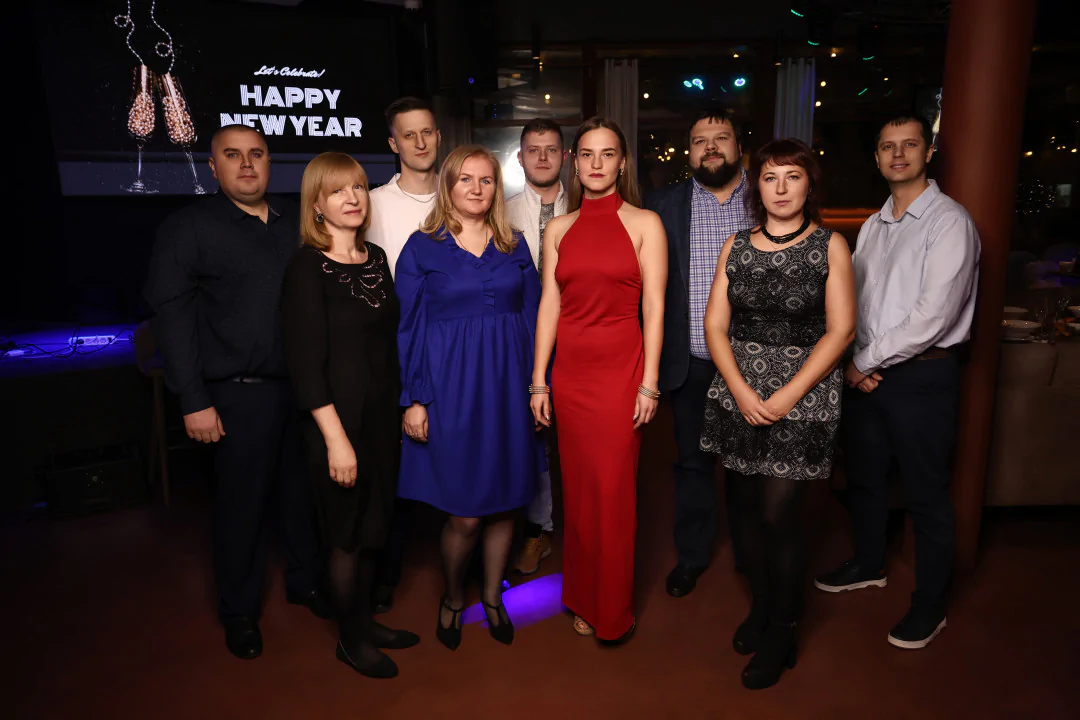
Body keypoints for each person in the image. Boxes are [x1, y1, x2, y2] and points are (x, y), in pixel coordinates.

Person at [144, 125, 327, 660]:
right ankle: (240, 611)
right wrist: (193, 399)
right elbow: (172, 318)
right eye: (233, 155)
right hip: (236, 396)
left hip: (304, 391)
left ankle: (305, 582)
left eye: (256, 154)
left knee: (303, 497)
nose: (247, 165)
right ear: (213, 166)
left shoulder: (296, 221)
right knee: (241, 510)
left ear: (269, 162)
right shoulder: (189, 228)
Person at [814, 114, 980, 651]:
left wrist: (861, 362)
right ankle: (869, 563)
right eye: (888, 147)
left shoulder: (949, 222)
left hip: (923, 375)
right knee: (865, 477)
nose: (898, 154)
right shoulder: (873, 225)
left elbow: (933, 316)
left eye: (909, 145)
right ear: (877, 158)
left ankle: (931, 605)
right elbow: (857, 303)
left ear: (928, 152)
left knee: (926, 494)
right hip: (868, 374)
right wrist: (855, 360)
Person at [700, 138, 856, 689]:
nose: (782, 187)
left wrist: (789, 394)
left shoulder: (830, 245)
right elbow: (715, 325)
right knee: (742, 510)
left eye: (793, 176)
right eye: (770, 177)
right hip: (738, 394)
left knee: (778, 516)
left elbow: (842, 330)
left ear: (809, 185)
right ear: (757, 187)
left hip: (804, 396)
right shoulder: (736, 245)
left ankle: (785, 627)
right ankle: (763, 608)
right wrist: (740, 389)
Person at [396, 144, 543, 650]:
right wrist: (415, 398)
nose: (476, 189)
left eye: (486, 180)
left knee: (506, 504)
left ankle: (493, 597)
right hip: (451, 389)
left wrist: (539, 386)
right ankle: (454, 596)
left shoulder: (513, 244)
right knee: (464, 512)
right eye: (465, 179)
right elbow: (408, 328)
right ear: (448, 186)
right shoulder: (422, 247)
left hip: (509, 386)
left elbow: (535, 318)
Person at [280, 153, 419, 679]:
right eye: (338, 191)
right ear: (316, 204)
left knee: (374, 525)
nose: (353, 198)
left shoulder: (376, 257)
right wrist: (336, 440)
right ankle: (350, 640)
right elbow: (305, 366)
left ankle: (365, 624)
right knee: (344, 535)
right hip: (335, 424)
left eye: (358, 187)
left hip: (380, 418)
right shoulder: (306, 267)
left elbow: (387, 345)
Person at [531, 117, 667, 642]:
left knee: (613, 494)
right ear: (574, 162)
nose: (596, 163)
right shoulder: (558, 229)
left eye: (607, 154)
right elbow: (550, 304)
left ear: (622, 162)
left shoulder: (645, 223)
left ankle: (612, 610)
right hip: (571, 377)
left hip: (620, 374)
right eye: (586, 154)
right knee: (581, 495)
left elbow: (654, 307)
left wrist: (649, 382)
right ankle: (582, 596)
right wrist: (539, 380)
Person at [645, 108, 755, 598]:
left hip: (755, 363)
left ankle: (752, 556)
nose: (710, 147)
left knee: (750, 466)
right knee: (692, 464)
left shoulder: (766, 197)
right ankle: (692, 556)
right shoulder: (662, 205)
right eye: (699, 141)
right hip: (691, 361)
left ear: (738, 147)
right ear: (689, 152)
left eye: (721, 138)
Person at [366, 96, 442, 613]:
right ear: (393, 143)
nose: (420, 142)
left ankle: (460, 569)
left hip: (453, 348)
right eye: (408, 135)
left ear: (438, 136)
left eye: (427, 132)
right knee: (389, 464)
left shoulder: (463, 194)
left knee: (451, 451)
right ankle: (384, 577)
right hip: (389, 349)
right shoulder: (372, 203)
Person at [505, 118, 568, 575]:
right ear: (520, 157)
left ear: (566, 156)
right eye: (533, 149)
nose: (542, 157)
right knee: (532, 436)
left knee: (580, 438)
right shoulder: (500, 212)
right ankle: (536, 530)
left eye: (551, 149)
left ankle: (582, 526)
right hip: (524, 341)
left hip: (581, 337)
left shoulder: (588, 206)